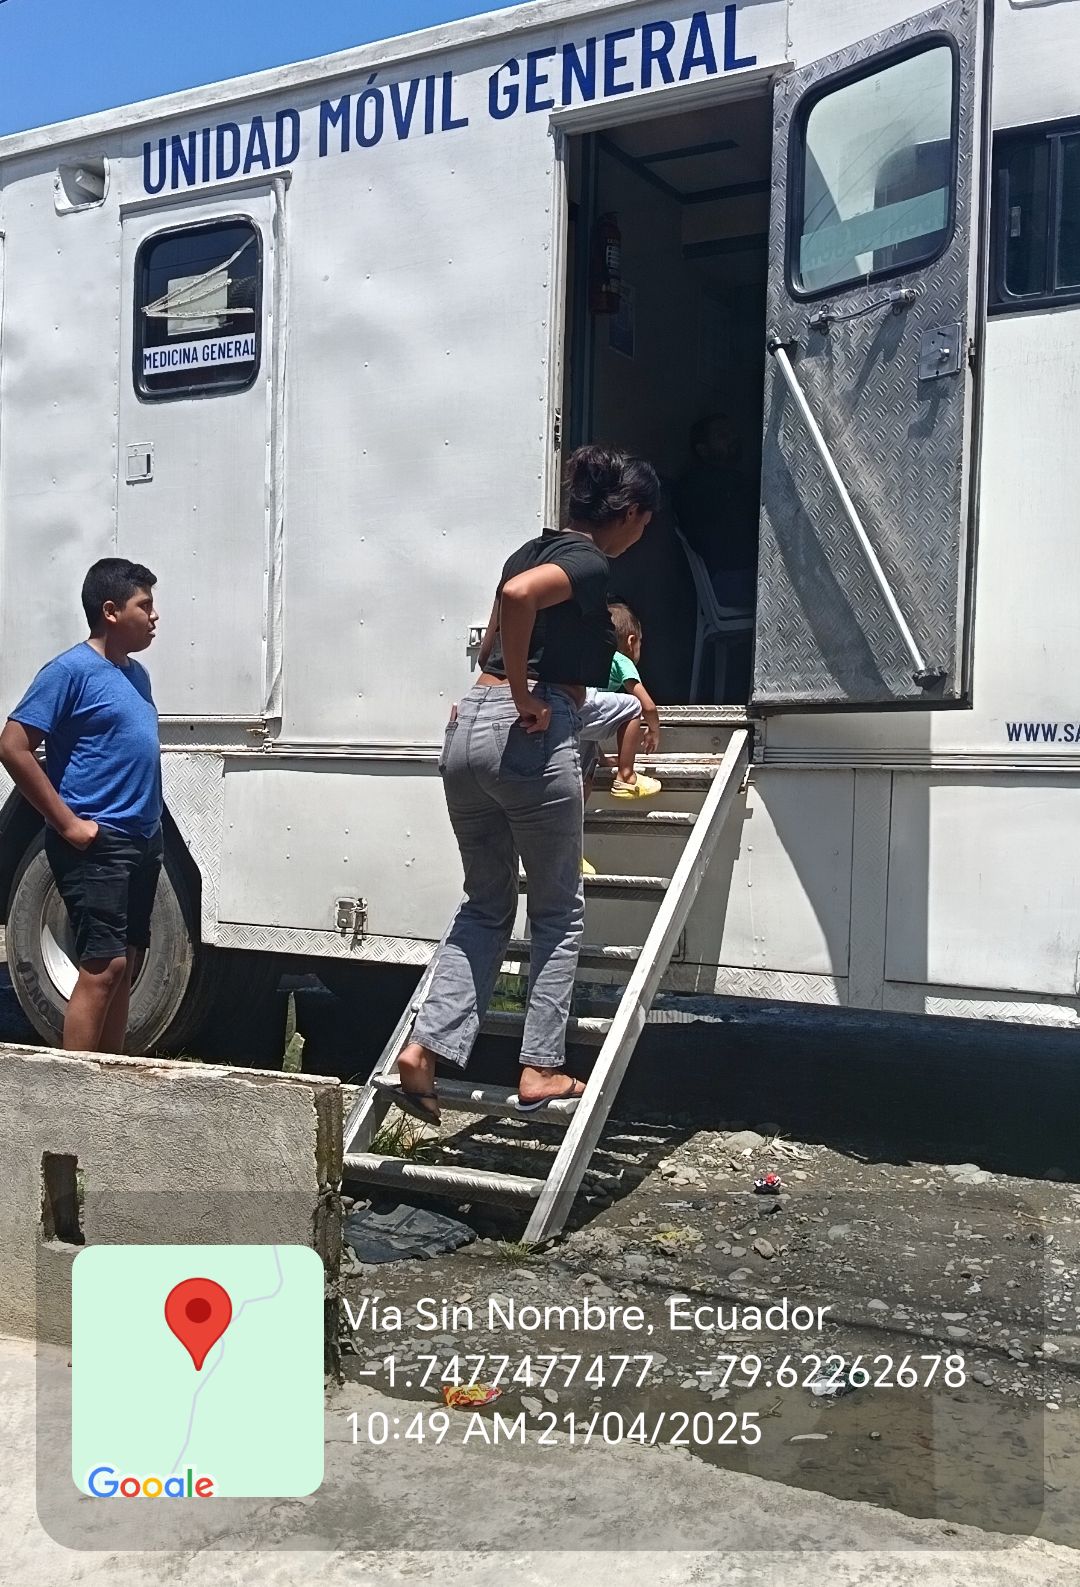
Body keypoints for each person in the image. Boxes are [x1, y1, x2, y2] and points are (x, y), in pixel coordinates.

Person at [394, 446, 660, 1122]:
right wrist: (523, 694)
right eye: (644, 523)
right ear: (629, 513)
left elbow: (493, 634)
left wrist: (500, 689)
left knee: (485, 904)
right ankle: (541, 1066)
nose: (641, 536)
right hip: (528, 731)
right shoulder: (587, 561)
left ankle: (424, 1048)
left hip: (469, 729)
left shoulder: (525, 551)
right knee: (558, 912)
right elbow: (518, 602)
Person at [0, 559, 162, 1055]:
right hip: (97, 842)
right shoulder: (69, 671)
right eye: (145, 605)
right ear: (110, 611)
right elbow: (13, 746)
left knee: (125, 962)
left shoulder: (136, 675)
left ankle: (108, 1080)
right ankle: (74, 1086)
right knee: (103, 965)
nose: (155, 616)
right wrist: (69, 824)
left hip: (142, 838)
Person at [577, 603, 663, 874]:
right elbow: (646, 705)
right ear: (631, 641)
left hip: (573, 710)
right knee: (631, 706)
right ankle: (626, 776)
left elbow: (593, 722)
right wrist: (654, 728)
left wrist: (604, 759)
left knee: (583, 781)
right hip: (585, 705)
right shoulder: (621, 659)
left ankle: (571, 853)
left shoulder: (590, 655)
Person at [675, 413, 758, 610]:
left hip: (741, 575)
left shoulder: (738, 480)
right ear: (703, 450)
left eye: (732, 433)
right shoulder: (696, 486)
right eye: (722, 435)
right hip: (728, 580)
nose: (733, 439)